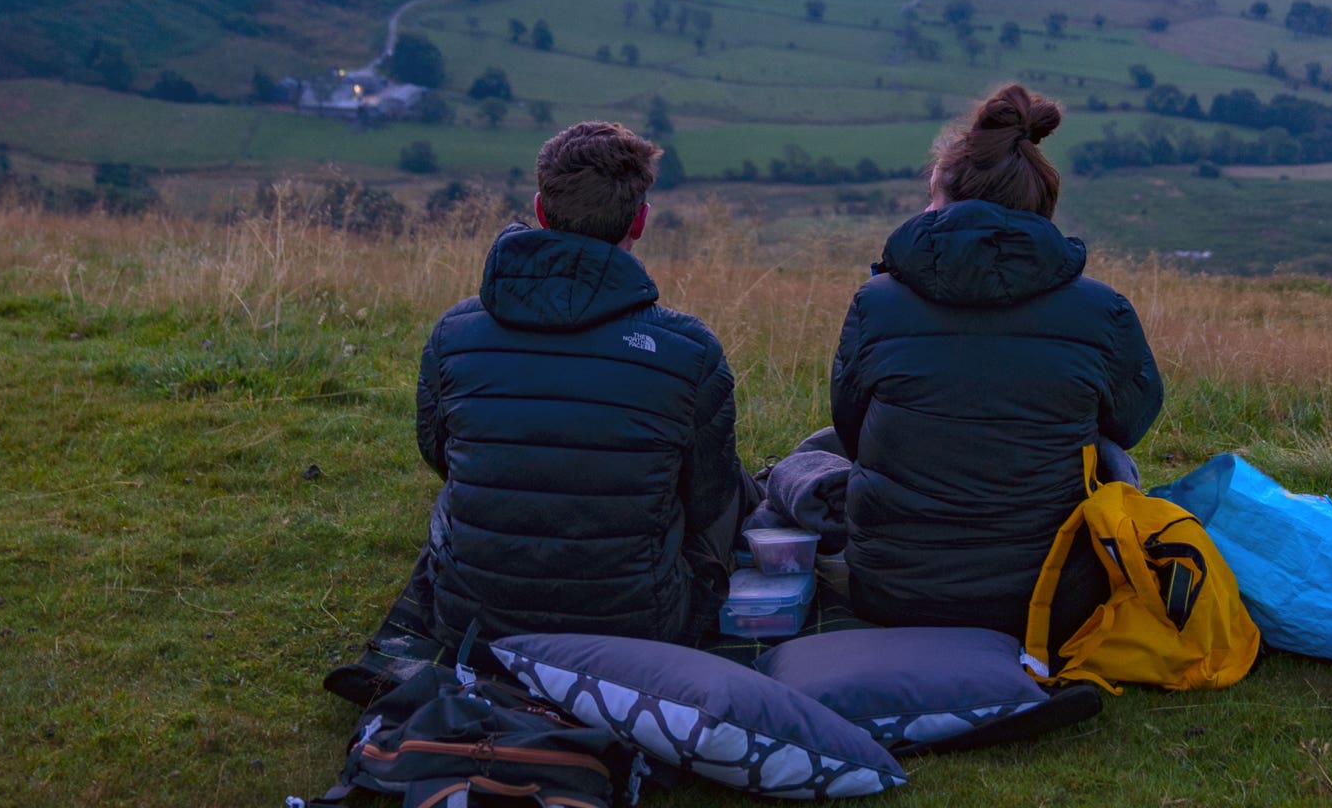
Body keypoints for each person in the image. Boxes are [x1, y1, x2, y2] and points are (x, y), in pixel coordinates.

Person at [331, 121, 745, 699]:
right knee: (734, 495)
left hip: (472, 624)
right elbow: (709, 498)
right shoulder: (689, 350)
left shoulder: (455, 332)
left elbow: (440, 456)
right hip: (639, 631)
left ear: (539, 210)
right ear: (639, 221)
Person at [830, 84, 1163, 636]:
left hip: (892, 592)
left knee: (824, 448)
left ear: (944, 202)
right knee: (1103, 453)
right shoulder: (1104, 310)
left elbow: (850, 429)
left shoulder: (876, 304)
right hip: (1052, 602)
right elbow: (1130, 423)